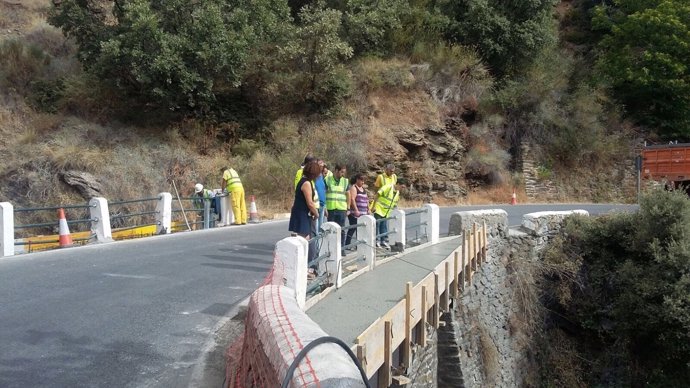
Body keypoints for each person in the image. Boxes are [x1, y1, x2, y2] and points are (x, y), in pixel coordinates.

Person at [289, 161, 321, 238]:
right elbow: (310, 203)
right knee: (303, 239)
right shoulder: (306, 183)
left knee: (304, 238)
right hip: (302, 214)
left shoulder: (305, 181)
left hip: (301, 213)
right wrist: (316, 214)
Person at [325, 164, 349, 251]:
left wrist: (348, 208)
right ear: (336, 170)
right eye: (342, 172)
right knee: (331, 230)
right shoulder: (327, 180)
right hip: (331, 209)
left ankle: (341, 249)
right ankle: (331, 249)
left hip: (342, 209)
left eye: (344, 172)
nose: (343, 174)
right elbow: (323, 194)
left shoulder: (345, 181)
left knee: (342, 229)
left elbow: (348, 194)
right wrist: (324, 207)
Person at [370, 181, 400, 249]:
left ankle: (382, 241)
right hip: (378, 208)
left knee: (383, 226)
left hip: (386, 212)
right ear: (398, 184)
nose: (402, 188)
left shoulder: (397, 192)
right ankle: (376, 241)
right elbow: (377, 195)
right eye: (402, 186)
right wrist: (373, 207)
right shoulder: (388, 187)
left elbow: (394, 203)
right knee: (377, 225)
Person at [345, 173, 369, 249]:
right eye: (362, 180)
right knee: (353, 228)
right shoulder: (354, 188)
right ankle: (347, 244)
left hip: (363, 213)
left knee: (360, 229)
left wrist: (368, 209)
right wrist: (356, 210)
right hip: (354, 213)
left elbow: (367, 199)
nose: (363, 182)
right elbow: (352, 199)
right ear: (357, 180)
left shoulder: (363, 189)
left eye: (364, 181)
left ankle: (359, 244)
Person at [314, 159, 327, 232]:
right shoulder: (313, 177)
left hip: (322, 205)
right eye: (320, 165)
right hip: (316, 205)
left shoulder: (322, 176)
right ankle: (315, 243)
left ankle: (318, 243)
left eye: (322, 166)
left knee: (320, 228)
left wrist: (325, 207)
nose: (321, 167)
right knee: (315, 229)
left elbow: (323, 191)